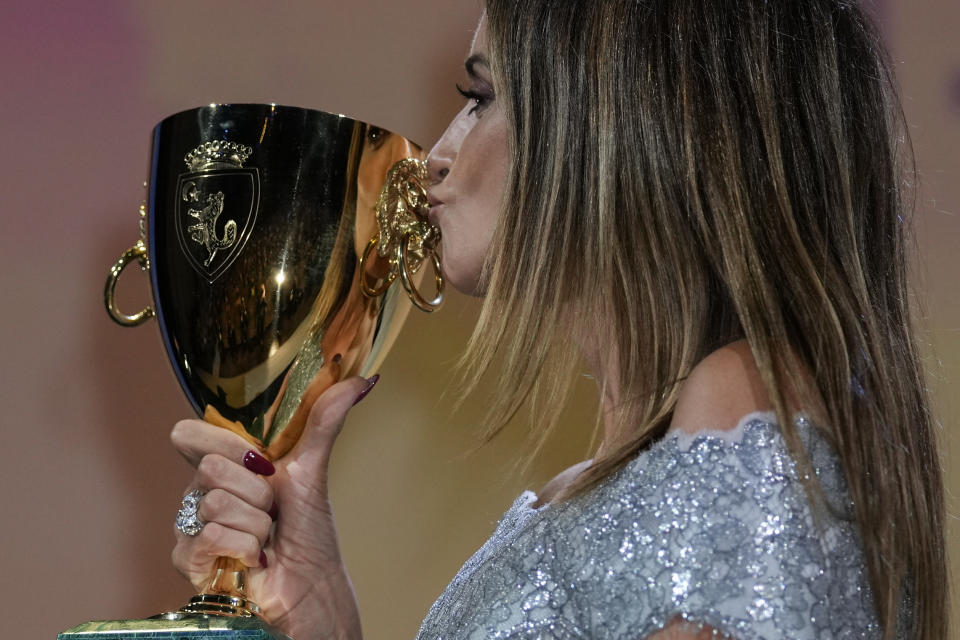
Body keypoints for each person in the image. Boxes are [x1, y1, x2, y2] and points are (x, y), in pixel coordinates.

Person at [169, 1, 948, 638]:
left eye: (479, 99)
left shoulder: (746, 398)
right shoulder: (606, 482)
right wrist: (324, 614)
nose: (433, 157)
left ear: (633, 119)